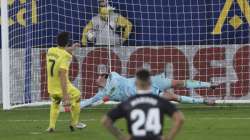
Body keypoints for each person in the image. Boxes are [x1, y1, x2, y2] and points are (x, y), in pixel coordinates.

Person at [79, 65, 216, 109]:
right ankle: (204, 101)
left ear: (104, 77)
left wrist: (107, 95)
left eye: (98, 76)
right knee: (174, 97)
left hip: (149, 80)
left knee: (178, 82)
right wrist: (74, 106)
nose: (96, 79)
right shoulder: (101, 94)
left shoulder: (113, 76)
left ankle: (209, 85)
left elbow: (114, 85)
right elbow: (89, 102)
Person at [102, 69, 184, 140]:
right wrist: (168, 138)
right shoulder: (159, 101)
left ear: (136, 83)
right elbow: (179, 118)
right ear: (150, 82)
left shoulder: (128, 103)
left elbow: (106, 121)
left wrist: (122, 137)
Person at [46, 32, 86, 132]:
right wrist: (65, 95)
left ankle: (51, 126)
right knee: (77, 95)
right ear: (67, 43)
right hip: (61, 87)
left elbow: (60, 51)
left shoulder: (50, 50)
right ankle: (74, 123)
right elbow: (62, 75)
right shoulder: (67, 56)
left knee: (55, 102)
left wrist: (72, 48)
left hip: (51, 86)